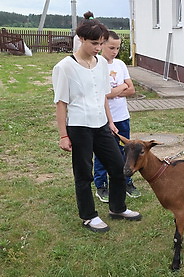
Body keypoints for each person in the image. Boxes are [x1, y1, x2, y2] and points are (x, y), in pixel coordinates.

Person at [52, 16, 142, 233]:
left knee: (118, 167)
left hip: (101, 125)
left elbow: (103, 95)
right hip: (79, 127)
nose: (98, 48)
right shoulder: (65, 67)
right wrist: (64, 135)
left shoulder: (101, 63)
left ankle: (118, 208)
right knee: (84, 174)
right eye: (94, 43)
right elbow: (61, 103)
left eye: (101, 43)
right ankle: (89, 216)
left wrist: (110, 122)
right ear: (81, 39)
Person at [93, 31, 141, 203]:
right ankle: (101, 186)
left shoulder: (120, 64)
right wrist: (120, 88)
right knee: (102, 153)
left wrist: (115, 90)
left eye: (117, 48)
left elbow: (132, 89)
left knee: (125, 151)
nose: (114, 51)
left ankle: (126, 182)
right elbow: (103, 94)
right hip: (104, 118)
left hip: (122, 116)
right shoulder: (97, 65)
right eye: (111, 47)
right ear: (102, 45)